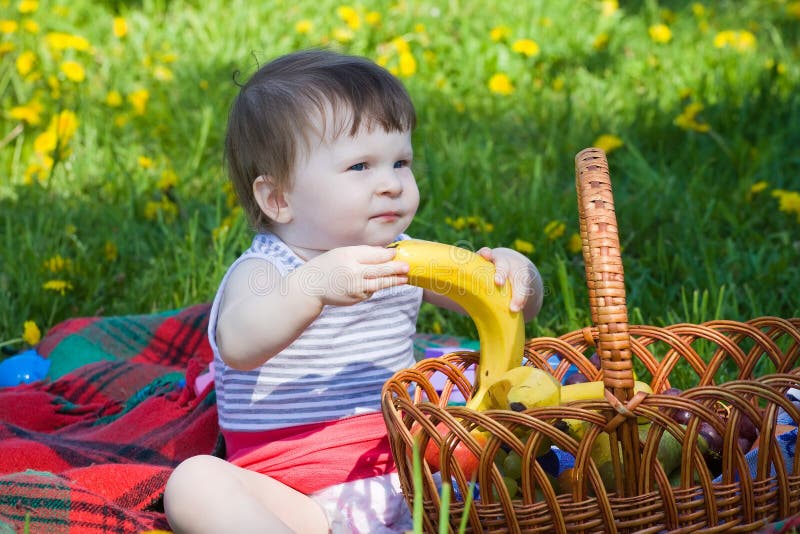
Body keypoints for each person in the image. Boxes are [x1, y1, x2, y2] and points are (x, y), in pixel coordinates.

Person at [163, 48, 543, 533]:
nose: (390, 184)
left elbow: (509, 306)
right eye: (360, 167)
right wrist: (314, 287)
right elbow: (237, 344)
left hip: (407, 472)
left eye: (400, 162)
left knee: (511, 441)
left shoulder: (402, 256)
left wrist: (516, 274)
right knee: (194, 482)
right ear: (278, 198)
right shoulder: (264, 269)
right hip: (293, 494)